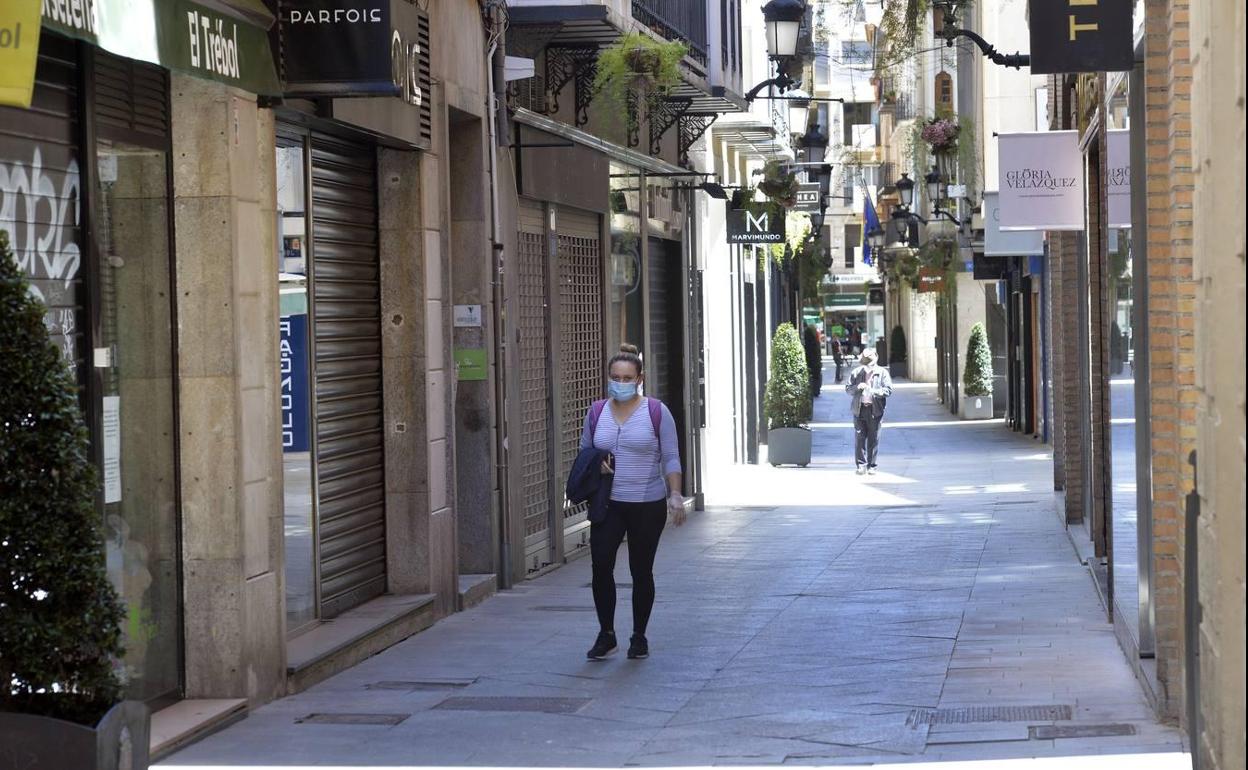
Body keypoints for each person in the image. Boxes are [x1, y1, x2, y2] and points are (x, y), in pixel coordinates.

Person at [581, 344, 683, 661]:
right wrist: (596, 464)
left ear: (640, 378)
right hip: (607, 503)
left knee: (641, 570)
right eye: (615, 377)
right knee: (601, 566)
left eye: (627, 377)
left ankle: (639, 636)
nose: (620, 383)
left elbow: (670, 456)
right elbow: (585, 452)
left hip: (646, 503)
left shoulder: (655, 411)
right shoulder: (596, 412)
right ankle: (606, 633)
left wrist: (675, 494)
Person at [844, 348, 893, 475]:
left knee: (874, 438)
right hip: (859, 410)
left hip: (875, 410)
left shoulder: (882, 373)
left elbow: (888, 390)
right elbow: (848, 389)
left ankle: (872, 465)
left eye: (870, 365)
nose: (868, 368)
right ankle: (861, 465)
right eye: (866, 365)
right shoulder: (856, 372)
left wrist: (874, 391)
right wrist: (857, 387)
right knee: (859, 438)